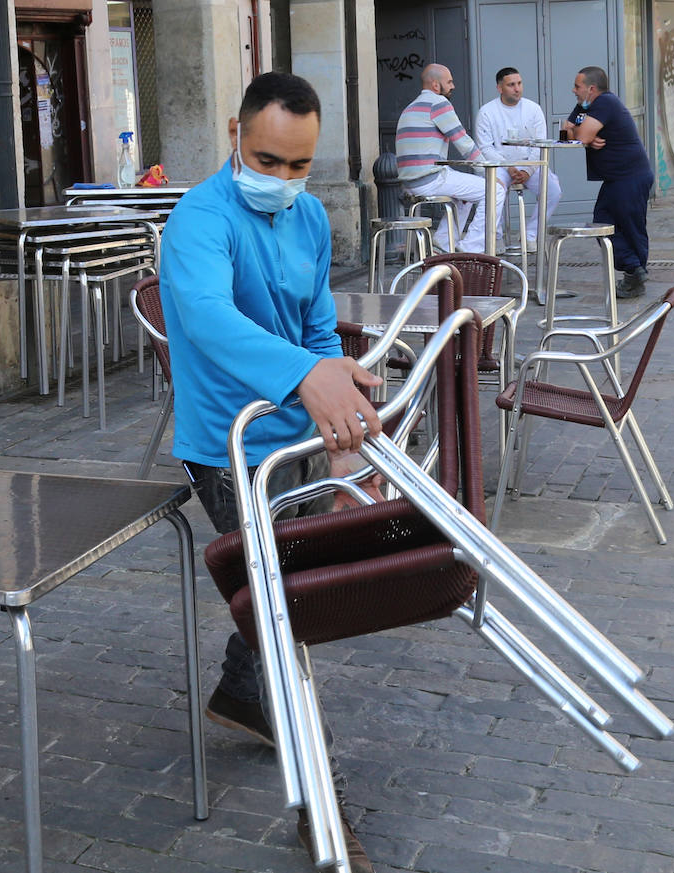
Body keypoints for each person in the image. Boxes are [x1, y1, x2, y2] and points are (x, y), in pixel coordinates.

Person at [160, 71, 382, 873]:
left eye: (300, 165)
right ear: (233, 134)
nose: (284, 179)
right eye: (268, 160)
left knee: (279, 587)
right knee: (289, 609)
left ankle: (240, 688)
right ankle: (320, 810)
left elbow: (318, 323)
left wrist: (340, 413)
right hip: (229, 442)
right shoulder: (199, 220)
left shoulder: (312, 215)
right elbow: (211, 321)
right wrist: (304, 376)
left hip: (296, 431)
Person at [561, 66, 653, 299]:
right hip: (617, 178)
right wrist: (584, 136)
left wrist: (581, 134)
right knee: (602, 222)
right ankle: (634, 270)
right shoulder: (585, 107)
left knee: (629, 226)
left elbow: (579, 135)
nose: (574, 90)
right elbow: (570, 135)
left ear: (591, 89)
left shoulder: (605, 103)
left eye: (577, 86)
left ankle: (635, 273)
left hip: (631, 176)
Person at [393, 63, 491, 252]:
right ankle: (471, 248)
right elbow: (463, 142)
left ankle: (444, 242)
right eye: (450, 82)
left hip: (410, 182)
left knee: (466, 194)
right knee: (493, 190)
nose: (453, 86)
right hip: (429, 179)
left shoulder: (410, 108)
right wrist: (487, 172)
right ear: (436, 85)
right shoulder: (439, 103)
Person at [473, 66, 562, 250]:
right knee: (494, 189)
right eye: (511, 84)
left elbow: (540, 144)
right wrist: (509, 167)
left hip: (529, 165)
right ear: (500, 88)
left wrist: (527, 170)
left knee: (553, 190)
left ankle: (530, 235)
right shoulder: (487, 112)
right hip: (500, 165)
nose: (517, 88)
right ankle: (495, 237)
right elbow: (485, 148)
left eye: (519, 83)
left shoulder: (534, 109)